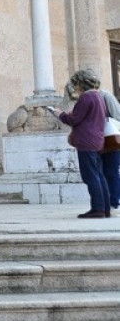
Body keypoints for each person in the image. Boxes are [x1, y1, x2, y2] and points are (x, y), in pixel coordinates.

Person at [54, 69, 110, 218]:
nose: (75, 88)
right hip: (97, 140)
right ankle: (104, 208)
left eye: (76, 84)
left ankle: (98, 209)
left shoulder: (86, 97)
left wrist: (59, 114)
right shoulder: (98, 96)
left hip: (86, 141)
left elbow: (74, 119)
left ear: (81, 83)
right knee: (99, 175)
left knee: (90, 176)